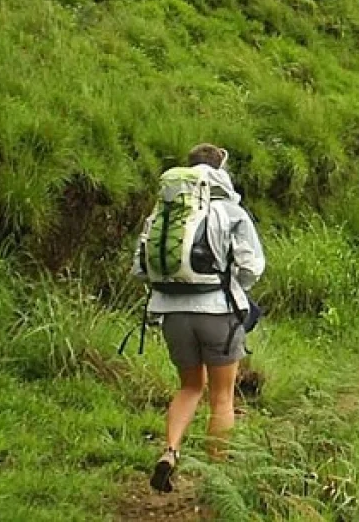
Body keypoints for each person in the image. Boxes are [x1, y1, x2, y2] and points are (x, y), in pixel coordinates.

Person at [133, 143, 266, 494]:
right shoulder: (229, 210)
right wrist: (236, 286)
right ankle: (216, 479)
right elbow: (253, 265)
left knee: (190, 386)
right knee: (222, 398)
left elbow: (139, 267)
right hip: (218, 313)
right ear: (222, 169)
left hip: (171, 313)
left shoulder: (163, 212)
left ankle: (170, 451)